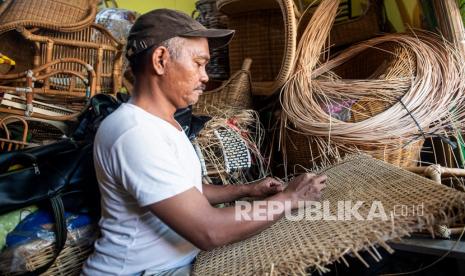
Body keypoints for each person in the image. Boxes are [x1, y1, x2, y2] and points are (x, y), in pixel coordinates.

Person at [82, 9, 326, 276]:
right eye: (199, 63)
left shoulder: (162, 123)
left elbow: (182, 189)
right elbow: (210, 231)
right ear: (161, 60)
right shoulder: (135, 133)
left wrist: (247, 190)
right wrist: (290, 199)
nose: (206, 77)